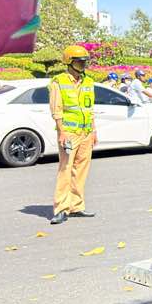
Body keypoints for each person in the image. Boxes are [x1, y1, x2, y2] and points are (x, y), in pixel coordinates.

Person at [49, 45, 98, 225]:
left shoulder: (89, 82)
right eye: (79, 61)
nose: (83, 64)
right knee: (66, 169)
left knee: (81, 170)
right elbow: (57, 109)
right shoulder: (59, 82)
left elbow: (90, 109)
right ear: (69, 62)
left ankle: (76, 206)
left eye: (85, 61)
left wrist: (93, 131)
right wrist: (61, 132)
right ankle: (61, 208)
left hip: (85, 133)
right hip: (68, 133)